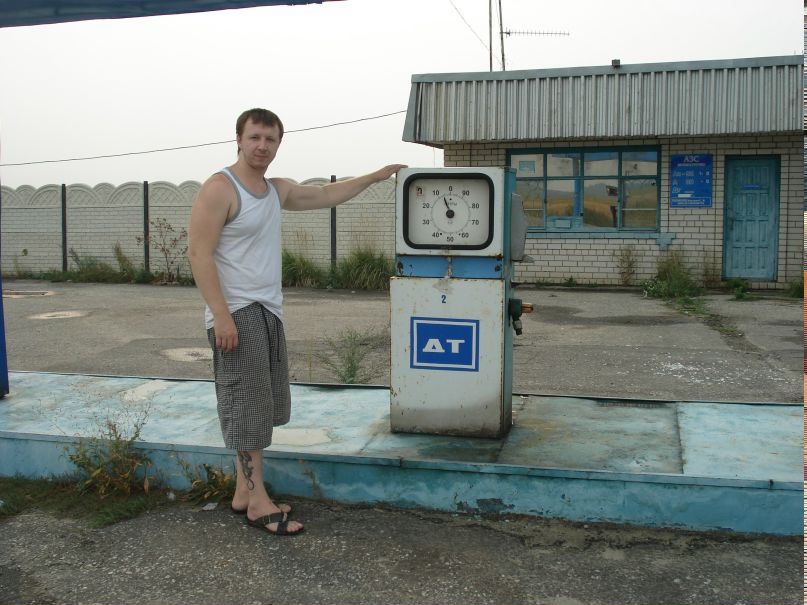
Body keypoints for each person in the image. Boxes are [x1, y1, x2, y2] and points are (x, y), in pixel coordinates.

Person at [187, 107, 405, 536]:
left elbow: (325, 194)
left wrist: (376, 176)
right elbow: (198, 253)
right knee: (247, 407)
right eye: (254, 137)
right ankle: (258, 504)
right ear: (238, 139)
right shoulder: (220, 188)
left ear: (278, 145)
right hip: (237, 313)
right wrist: (222, 315)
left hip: (267, 312)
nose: (262, 146)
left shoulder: (275, 190)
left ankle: (244, 493)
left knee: (261, 404)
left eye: (270, 139)